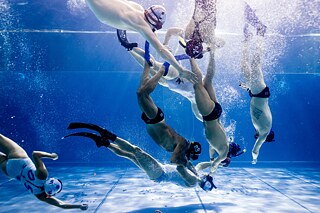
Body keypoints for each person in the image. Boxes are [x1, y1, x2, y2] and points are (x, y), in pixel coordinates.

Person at [63, 122, 216, 191]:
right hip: (159, 172)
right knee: (130, 155)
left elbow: (181, 169)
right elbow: (200, 166)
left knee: (137, 151)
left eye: (205, 183)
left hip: (160, 174)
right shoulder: (196, 172)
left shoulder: (193, 182)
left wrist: (199, 179)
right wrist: (215, 162)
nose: (204, 178)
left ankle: (107, 135)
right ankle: (104, 143)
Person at [85, 0, 197, 83]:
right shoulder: (142, 25)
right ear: (154, 23)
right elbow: (161, 50)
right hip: (100, 9)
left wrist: (162, 42)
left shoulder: (138, 8)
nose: (152, 30)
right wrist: (180, 69)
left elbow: (151, 32)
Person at [117, 29, 203, 121]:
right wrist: (167, 43)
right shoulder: (203, 85)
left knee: (148, 65)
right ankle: (130, 45)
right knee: (153, 65)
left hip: (169, 84)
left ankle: (128, 48)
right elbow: (170, 31)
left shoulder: (194, 102)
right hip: (177, 75)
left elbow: (200, 117)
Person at [136, 60, 203, 175]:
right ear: (189, 151)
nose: (189, 158)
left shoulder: (184, 148)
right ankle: (162, 70)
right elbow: (174, 161)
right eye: (190, 156)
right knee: (141, 93)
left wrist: (196, 174)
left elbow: (186, 162)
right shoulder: (183, 145)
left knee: (142, 91)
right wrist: (188, 174)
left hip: (152, 123)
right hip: (156, 120)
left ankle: (147, 64)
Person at [0, 134, 88, 210]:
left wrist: (52, 156)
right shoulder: (40, 194)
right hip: (10, 172)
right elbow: (61, 204)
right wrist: (79, 206)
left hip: (20, 160)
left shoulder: (43, 176)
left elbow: (35, 154)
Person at [239, 2, 274, 164]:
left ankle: (247, 39)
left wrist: (246, 88)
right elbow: (255, 148)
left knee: (244, 64)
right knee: (254, 64)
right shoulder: (264, 132)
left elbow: (256, 107)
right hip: (260, 92)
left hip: (254, 92)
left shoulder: (261, 128)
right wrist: (254, 159)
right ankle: (261, 32)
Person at [189, 50, 229, 175]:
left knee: (208, 80)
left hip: (216, 113)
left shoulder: (218, 148)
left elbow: (212, 156)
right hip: (209, 114)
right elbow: (215, 164)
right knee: (197, 84)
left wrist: (212, 160)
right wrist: (211, 173)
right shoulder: (223, 153)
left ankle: (212, 52)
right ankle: (191, 56)